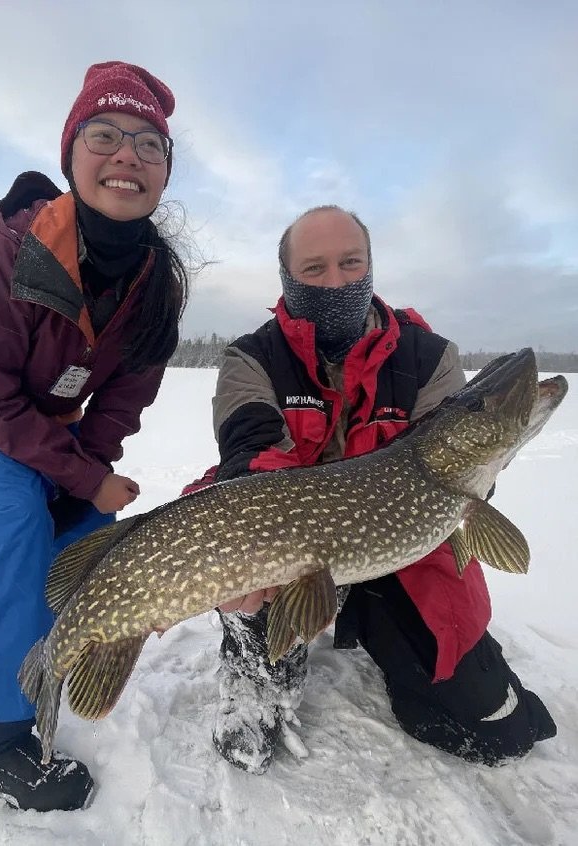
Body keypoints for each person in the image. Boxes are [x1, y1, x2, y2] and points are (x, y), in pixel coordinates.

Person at [188, 205, 556, 775]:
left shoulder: (428, 357)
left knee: (497, 729)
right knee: (246, 540)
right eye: (315, 268)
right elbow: (250, 451)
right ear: (288, 277)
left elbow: (454, 461)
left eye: (350, 262)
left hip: (398, 547)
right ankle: (258, 661)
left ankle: (375, 623)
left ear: (370, 265)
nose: (336, 280)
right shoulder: (251, 357)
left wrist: (482, 466)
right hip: (293, 544)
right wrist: (250, 559)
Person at [0, 61, 189, 811]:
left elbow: (122, 401)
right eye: (104, 135)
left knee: (85, 521)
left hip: (51, 414)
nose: (126, 155)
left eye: (148, 144)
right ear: (72, 153)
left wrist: (89, 475)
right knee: (8, 517)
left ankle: (42, 652)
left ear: (165, 173)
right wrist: (74, 473)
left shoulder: (157, 283)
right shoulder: (12, 251)